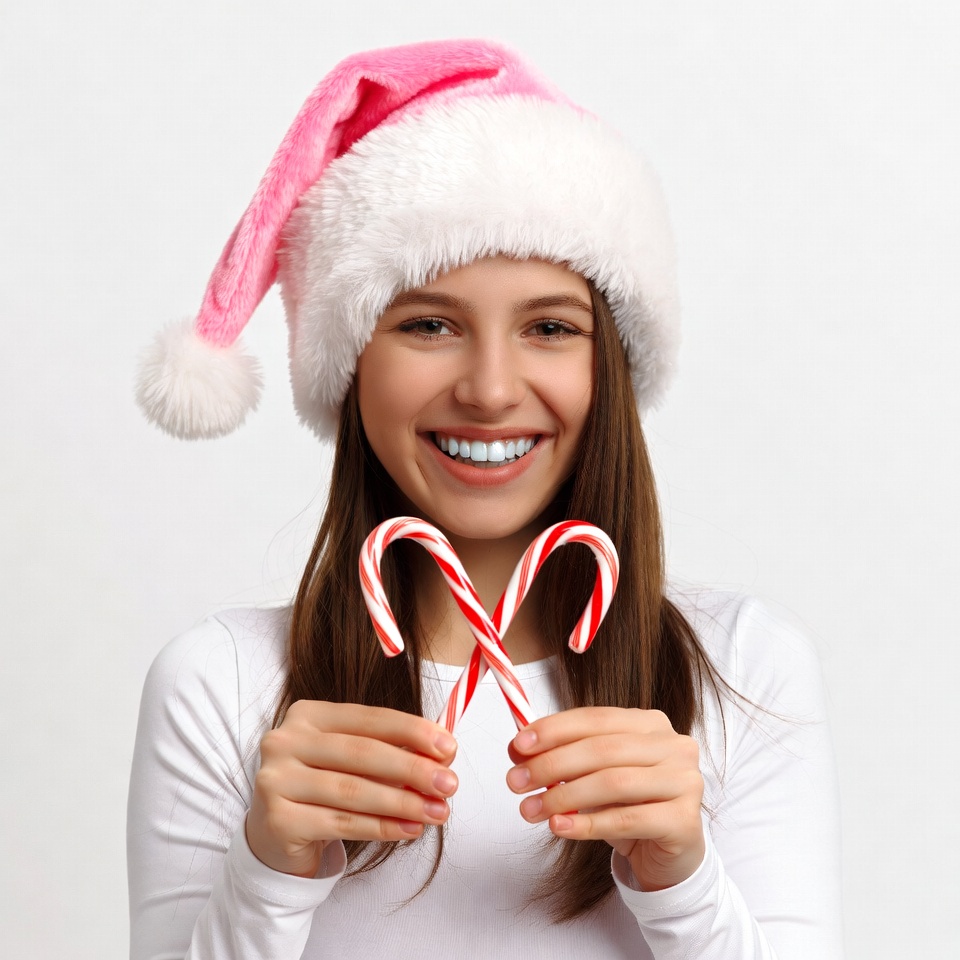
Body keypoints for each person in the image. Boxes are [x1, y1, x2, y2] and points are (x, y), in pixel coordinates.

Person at [129, 40, 843, 959]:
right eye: (429, 324)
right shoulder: (221, 683)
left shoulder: (743, 670)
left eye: (550, 327)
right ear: (349, 366)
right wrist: (267, 874)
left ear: (611, 369)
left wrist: (683, 881)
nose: (492, 389)